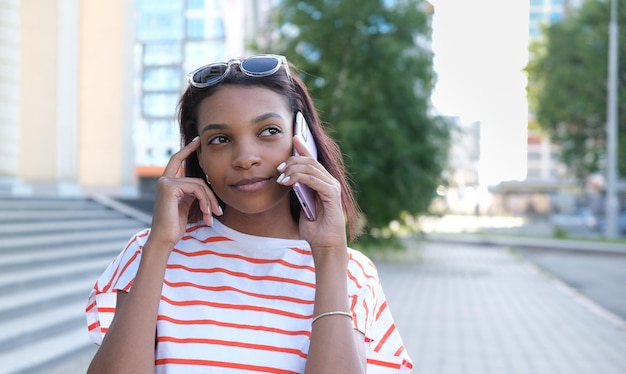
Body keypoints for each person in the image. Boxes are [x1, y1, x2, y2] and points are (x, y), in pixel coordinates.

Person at [86, 54, 412, 373]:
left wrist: (328, 255)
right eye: (220, 139)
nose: (245, 157)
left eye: (268, 131)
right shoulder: (149, 251)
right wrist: (159, 245)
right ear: (198, 155)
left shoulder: (351, 272)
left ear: (303, 140)